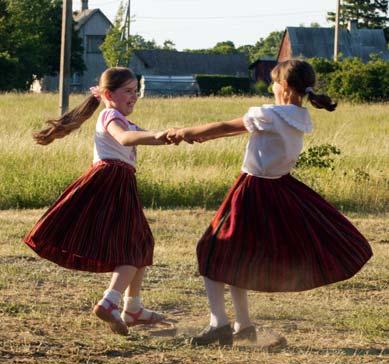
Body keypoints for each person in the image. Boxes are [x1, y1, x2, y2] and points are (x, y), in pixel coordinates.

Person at [165, 59, 373, 346]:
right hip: (279, 189)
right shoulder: (297, 115)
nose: (272, 86)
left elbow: (226, 125)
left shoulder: (270, 114)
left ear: (284, 87)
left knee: (211, 249)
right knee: (237, 255)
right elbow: (237, 130)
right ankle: (243, 325)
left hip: (252, 191)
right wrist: (199, 136)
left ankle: (219, 324)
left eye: (274, 81)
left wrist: (187, 132)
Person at [24, 67, 171, 336]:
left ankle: (133, 307)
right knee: (132, 249)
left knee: (141, 243)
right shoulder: (110, 115)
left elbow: (143, 135)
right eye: (127, 91)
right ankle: (111, 302)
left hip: (117, 181)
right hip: (112, 181)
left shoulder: (121, 118)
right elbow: (125, 138)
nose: (134, 96)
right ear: (107, 94)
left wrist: (176, 135)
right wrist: (161, 135)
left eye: (135, 91)